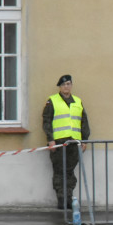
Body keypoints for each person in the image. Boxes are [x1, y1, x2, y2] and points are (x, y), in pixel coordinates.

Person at [42, 74, 90, 211]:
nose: (66, 87)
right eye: (63, 85)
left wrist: (84, 139)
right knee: (59, 171)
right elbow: (46, 121)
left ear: (71, 85)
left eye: (68, 84)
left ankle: (69, 199)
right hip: (58, 143)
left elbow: (84, 122)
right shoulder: (52, 101)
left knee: (69, 172)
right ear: (60, 87)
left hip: (74, 143)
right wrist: (50, 139)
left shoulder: (78, 101)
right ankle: (62, 200)